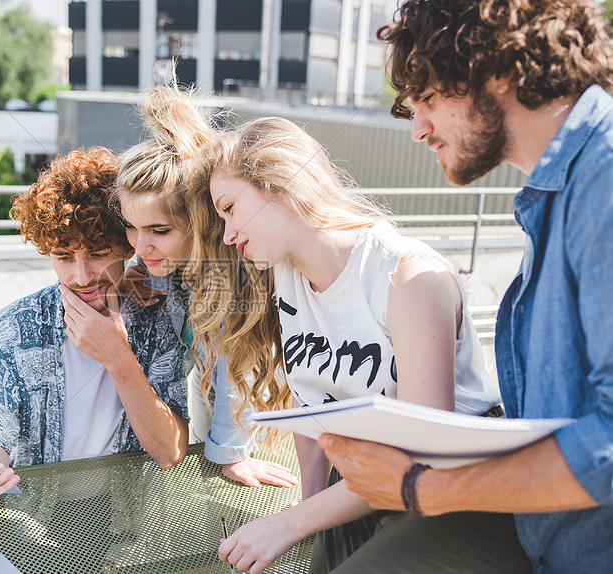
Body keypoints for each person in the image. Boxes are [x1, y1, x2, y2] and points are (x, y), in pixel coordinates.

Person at [318, 0, 613, 571]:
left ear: (496, 68)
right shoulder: (564, 190)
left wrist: (419, 490)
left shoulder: (602, 181)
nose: (418, 129)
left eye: (428, 99)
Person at [183, 111, 528, 569]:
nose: (227, 234)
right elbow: (313, 412)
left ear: (279, 184)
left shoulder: (405, 276)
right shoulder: (286, 276)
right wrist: (310, 515)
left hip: (454, 490)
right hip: (366, 488)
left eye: (229, 208)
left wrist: (294, 523)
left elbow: (423, 452)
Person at [0, 147, 189, 499]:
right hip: (32, 521)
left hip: (129, 524)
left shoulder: (158, 319)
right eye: (63, 256)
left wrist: (119, 359)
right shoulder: (10, 329)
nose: (82, 275)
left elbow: (171, 453)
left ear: (127, 246)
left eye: (99, 254)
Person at [111, 85, 298, 488]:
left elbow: (238, 376)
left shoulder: (229, 278)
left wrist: (229, 455)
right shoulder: (171, 259)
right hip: (209, 385)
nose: (140, 248)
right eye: (131, 227)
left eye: (158, 230)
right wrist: (139, 276)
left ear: (199, 224)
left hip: (254, 411)